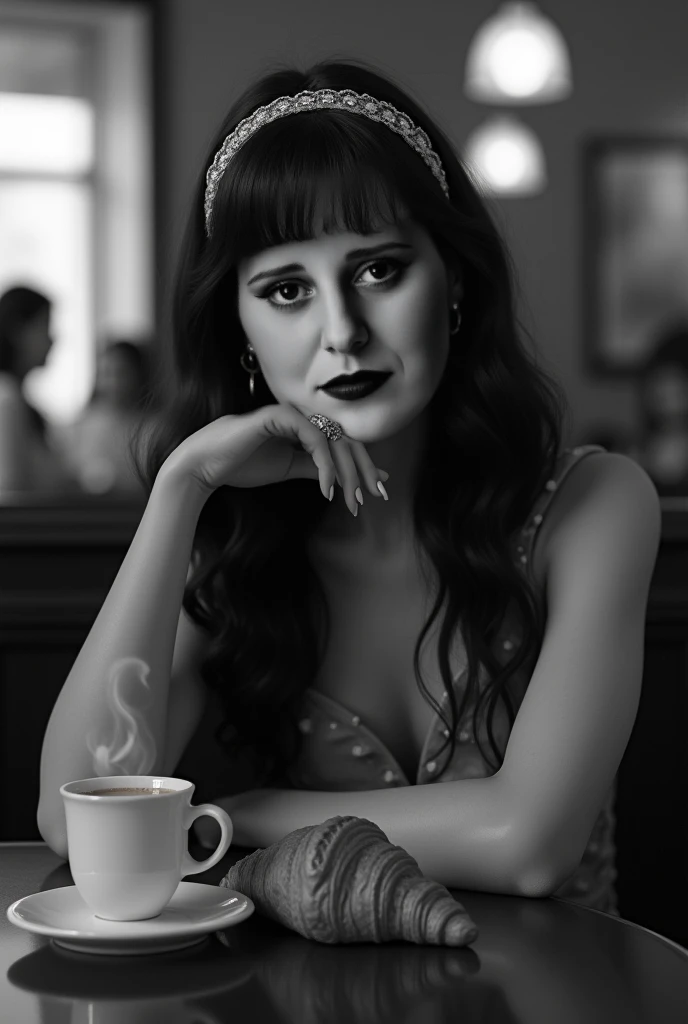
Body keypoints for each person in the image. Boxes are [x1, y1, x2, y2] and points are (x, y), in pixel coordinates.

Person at [37, 58, 661, 916]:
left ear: (456, 284)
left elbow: (531, 844)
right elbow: (76, 818)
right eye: (286, 290)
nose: (342, 331)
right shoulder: (232, 542)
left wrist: (243, 815)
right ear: (242, 334)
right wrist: (181, 488)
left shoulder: (595, 506)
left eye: (378, 269)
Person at [0, 286, 79, 494]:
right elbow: (10, 494)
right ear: (18, 331)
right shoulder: (5, 399)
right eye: (44, 325)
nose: (53, 339)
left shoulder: (17, 399)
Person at [60, 339, 156, 497]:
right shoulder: (82, 425)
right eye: (106, 373)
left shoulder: (153, 427)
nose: (113, 383)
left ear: (139, 375)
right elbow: (68, 471)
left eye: (121, 373)